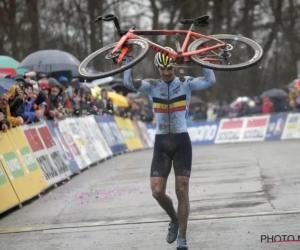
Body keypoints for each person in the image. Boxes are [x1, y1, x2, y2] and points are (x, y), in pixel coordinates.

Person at [123, 47, 216, 249]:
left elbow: (210, 81)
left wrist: (200, 59)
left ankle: (182, 237)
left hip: (182, 140)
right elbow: (128, 83)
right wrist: (128, 59)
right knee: (157, 192)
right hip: (161, 142)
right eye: (163, 69)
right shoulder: (151, 85)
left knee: (182, 190)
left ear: (174, 66)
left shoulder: (186, 83)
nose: (167, 73)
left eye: (170, 68)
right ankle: (174, 219)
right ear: (158, 68)